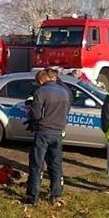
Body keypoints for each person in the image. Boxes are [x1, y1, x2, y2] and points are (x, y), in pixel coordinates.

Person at [23, 68, 72, 206]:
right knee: (56, 165)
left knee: (36, 164)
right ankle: (56, 194)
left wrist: (31, 113)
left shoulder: (40, 92)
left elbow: (37, 115)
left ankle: (33, 197)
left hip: (43, 132)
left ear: (40, 80)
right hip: (58, 132)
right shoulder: (64, 92)